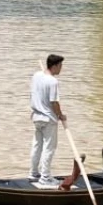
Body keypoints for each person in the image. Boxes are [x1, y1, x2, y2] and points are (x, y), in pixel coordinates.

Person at [29, 54, 66, 189]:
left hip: (36, 117)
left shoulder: (36, 76)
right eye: (60, 66)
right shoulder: (53, 82)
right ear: (55, 66)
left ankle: (33, 173)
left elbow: (33, 94)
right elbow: (54, 102)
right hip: (48, 118)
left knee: (37, 145)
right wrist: (61, 115)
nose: (61, 69)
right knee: (49, 148)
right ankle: (45, 178)